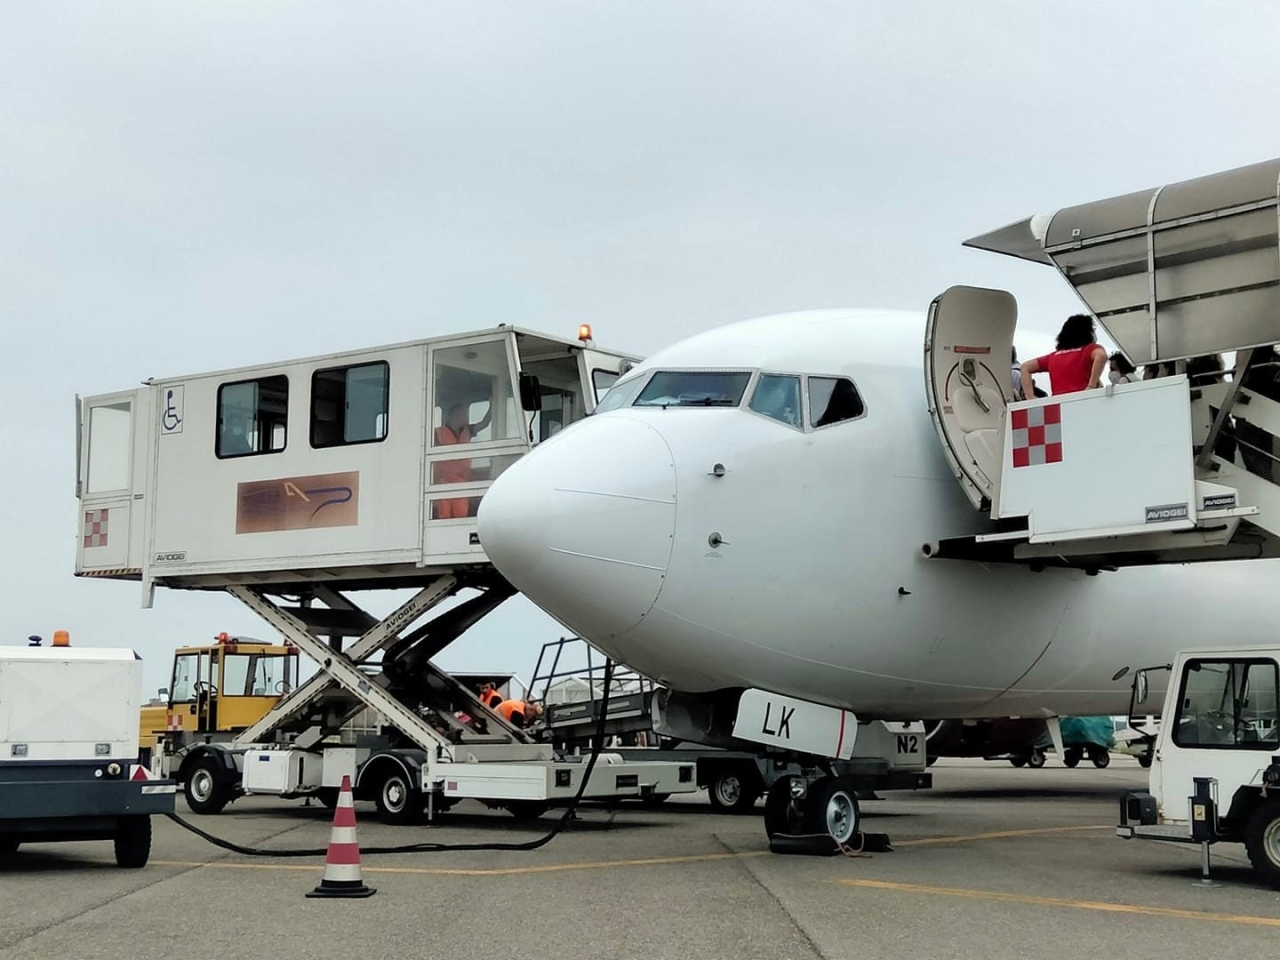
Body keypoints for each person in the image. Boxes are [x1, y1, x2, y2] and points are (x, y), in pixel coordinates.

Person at [1020, 315, 1107, 398]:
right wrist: (1092, 385)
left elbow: (1025, 367)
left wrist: (1030, 396)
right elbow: (1101, 356)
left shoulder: (1052, 357)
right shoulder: (1089, 350)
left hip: (1059, 404)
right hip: (1084, 399)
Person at [433, 401, 493, 519]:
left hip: (462, 481)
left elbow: (485, 423)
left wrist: (493, 405)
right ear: (454, 415)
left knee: (461, 517)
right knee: (444, 517)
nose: (465, 417)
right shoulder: (437, 434)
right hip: (444, 482)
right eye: (463, 414)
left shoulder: (468, 430)